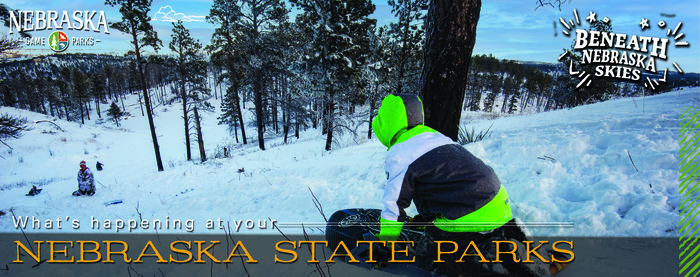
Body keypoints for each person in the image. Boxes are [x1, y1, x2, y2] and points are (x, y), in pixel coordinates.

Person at [370, 94, 553, 276]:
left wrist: (385, 245)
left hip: (472, 211)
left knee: (430, 258)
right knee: (465, 231)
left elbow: (394, 204)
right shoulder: (434, 137)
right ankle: (510, 238)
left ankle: (494, 260)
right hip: (496, 202)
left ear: (387, 123)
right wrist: (427, 217)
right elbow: (448, 182)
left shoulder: (400, 154)